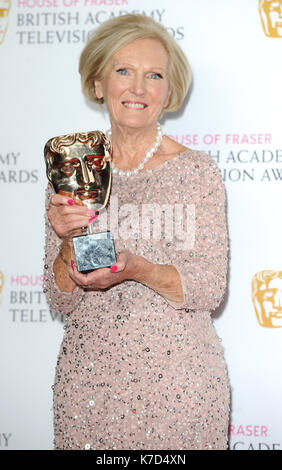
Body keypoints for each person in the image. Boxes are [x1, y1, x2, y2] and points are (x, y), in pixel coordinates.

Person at [44, 14, 230, 450]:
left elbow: (209, 288)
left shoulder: (197, 171)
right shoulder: (72, 170)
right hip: (87, 388)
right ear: (98, 84)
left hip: (182, 390)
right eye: (124, 71)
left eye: (154, 75)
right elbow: (60, 298)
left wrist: (139, 270)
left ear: (169, 92)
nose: (138, 88)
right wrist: (67, 240)